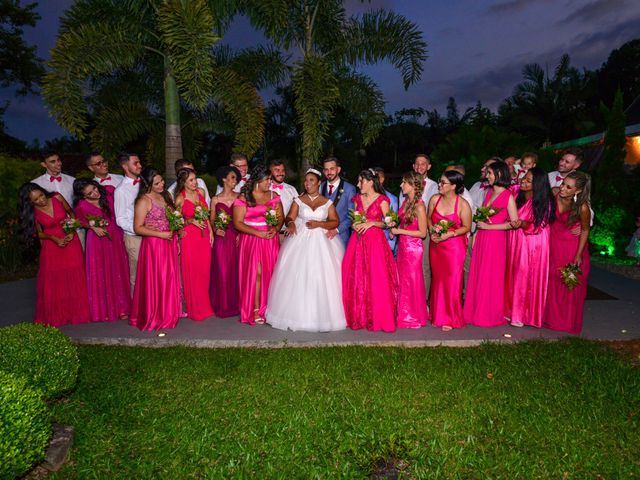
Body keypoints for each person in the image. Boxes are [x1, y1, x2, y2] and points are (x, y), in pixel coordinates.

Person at [267, 169, 347, 332]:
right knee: (297, 275)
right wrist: (290, 223)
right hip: (300, 239)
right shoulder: (298, 200)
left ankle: (323, 316)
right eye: (306, 181)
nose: (307, 183)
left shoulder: (327, 202)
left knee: (322, 276)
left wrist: (320, 224)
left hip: (322, 242)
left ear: (319, 183)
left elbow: (335, 221)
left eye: (311, 180)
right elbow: (290, 216)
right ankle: (293, 314)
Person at [17, 183, 90, 327]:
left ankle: (78, 311)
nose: (41, 200)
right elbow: (39, 233)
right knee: (56, 278)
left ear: (44, 192)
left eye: (41, 195)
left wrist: (71, 230)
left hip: (70, 239)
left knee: (76, 272)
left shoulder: (57, 197)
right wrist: (53, 239)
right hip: (52, 245)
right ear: (30, 202)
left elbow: (71, 213)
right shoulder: (33, 212)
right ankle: (60, 314)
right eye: (36, 199)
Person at [463, 161, 519, 327]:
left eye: (490, 173)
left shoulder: (508, 196)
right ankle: (475, 310)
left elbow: (514, 222)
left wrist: (490, 226)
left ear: (500, 175)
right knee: (479, 273)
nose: (487, 176)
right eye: (487, 173)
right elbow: (483, 217)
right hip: (483, 238)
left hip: (496, 241)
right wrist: (478, 233)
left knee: (490, 275)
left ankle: (488, 314)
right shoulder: (488, 193)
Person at [342, 169, 398, 332]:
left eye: (361, 181)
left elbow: (389, 223)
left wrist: (372, 223)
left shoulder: (382, 200)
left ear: (370, 182)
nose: (358, 185)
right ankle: (358, 315)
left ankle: (377, 316)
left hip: (375, 243)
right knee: (356, 276)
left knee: (376, 278)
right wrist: (355, 225)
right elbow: (353, 219)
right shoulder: (356, 199)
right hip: (357, 242)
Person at [129, 167, 182, 331]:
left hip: (169, 242)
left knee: (170, 276)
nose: (161, 184)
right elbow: (137, 228)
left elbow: (173, 220)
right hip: (154, 245)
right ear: (148, 184)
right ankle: (156, 313)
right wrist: (160, 234)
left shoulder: (165, 195)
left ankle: (169, 311)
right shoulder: (144, 200)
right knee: (157, 278)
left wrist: (175, 237)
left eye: (162, 181)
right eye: (157, 183)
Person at [504, 167, 555, 328]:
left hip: (533, 243)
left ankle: (523, 315)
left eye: (529, 180)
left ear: (538, 184)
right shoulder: (517, 193)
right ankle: (510, 310)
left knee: (525, 275)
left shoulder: (544, 201)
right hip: (516, 239)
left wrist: (522, 223)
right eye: (524, 177)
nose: (524, 181)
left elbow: (538, 226)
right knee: (512, 273)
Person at [233, 164, 284, 325]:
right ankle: (255, 308)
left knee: (271, 272)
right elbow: (237, 223)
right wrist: (258, 233)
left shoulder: (273, 195)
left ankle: (270, 308)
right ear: (257, 180)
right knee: (256, 274)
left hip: (270, 239)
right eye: (267, 179)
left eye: (270, 179)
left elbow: (280, 217)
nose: (270, 182)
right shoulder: (244, 198)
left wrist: (275, 228)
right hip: (251, 239)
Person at [73, 179, 131, 322]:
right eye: (90, 193)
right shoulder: (81, 205)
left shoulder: (109, 192)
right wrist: (92, 227)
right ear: (83, 196)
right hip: (98, 242)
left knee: (119, 271)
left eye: (94, 188)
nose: (95, 193)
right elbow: (79, 221)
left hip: (116, 236)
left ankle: (124, 307)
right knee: (103, 273)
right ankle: (105, 310)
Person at [543, 172, 592, 335]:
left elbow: (585, 230)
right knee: (551, 281)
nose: (562, 188)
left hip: (571, 247)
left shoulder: (582, 206)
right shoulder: (555, 193)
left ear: (577, 191)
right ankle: (549, 318)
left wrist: (578, 255)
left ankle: (565, 322)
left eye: (568, 187)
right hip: (553, 243)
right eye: (563, 183)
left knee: (568, 285)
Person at [427, 170, 472, 330]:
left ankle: (451, 317)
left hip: (454, 247)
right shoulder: (434, 200)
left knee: (452, 281)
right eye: (440, 181)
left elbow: (466, 227)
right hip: (436, 245)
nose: (439, 185)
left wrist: (449, 234)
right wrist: (433, 231)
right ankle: (437, 314)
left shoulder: (463, 204)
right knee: (438, 280)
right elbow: (428, 218)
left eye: (443, 183)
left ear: (453, 186)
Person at [174, 168, 215, 321]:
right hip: (190, 237)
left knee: (204, 271)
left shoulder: (201, 193)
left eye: (195, 178)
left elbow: (205, 215)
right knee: (192, 272)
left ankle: (205, 306)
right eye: (191, 180)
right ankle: (195, 308)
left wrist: (211, 231)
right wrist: (190, 221)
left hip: (204, 237)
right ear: (183, 182)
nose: (195, 182)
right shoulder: (180, 198)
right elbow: (176, 221)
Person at [390, 171, 428, 328]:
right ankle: (404, 312)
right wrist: (394, 229)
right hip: (403, 247)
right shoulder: (406, 202)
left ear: (412, 185)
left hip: (413, 248)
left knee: (411, 281)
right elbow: (404, 224)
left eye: (404, 182)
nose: (401, 185)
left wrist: (400, 232)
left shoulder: (419, 206)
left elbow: (423, 233)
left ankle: (412, 315)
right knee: (402, 280)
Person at [399, 154, 439, 299]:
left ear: (428, 166)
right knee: (406, 267)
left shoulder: (434, 186)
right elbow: (401, 209)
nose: (419, 166)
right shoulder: (405, 186)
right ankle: (408, 298)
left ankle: (423, 300)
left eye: (423, 164)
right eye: (417, 163)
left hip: (424, 230)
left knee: (424, 266)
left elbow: (433, 210)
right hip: (405, 233)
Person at [209, 166, 241, 317]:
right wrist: (216, 229)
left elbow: (244, 217)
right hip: (222, 238)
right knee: (222, 270)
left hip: (236, 236)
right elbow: (212, 219)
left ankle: (237, 305)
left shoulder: (240, 197)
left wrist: (241, 233)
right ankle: (222, 304)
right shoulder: (215, 199)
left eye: (236, 178)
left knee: (236, 270)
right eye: (233, 177)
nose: (235, 181)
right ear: (224, 179)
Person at [114, 152, 143, 293]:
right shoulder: (121, 190)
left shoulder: (145, 183)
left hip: (151, 234)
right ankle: (137, 311)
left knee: (150, 273)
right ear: (125, 167)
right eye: (135, 163)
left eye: (139, 162)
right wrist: (139, 229)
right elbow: (120, 219)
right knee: (136, 275)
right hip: (135, 237)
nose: (140, 165)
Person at [320, 156, 357, 247]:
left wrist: (336, 230)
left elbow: (351, 216)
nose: (329, 172)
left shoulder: (349, 189)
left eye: (332, 169)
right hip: (321, 236)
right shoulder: (320, 187)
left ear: (338, 169)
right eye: (326, 170)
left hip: (341, 236)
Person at [374, 167, 398, 253]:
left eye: (375, 178)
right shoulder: (364, 196)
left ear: (381, 179)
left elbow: (393, 222)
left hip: (384, 242)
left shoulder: (391, 198)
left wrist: (390, 246)